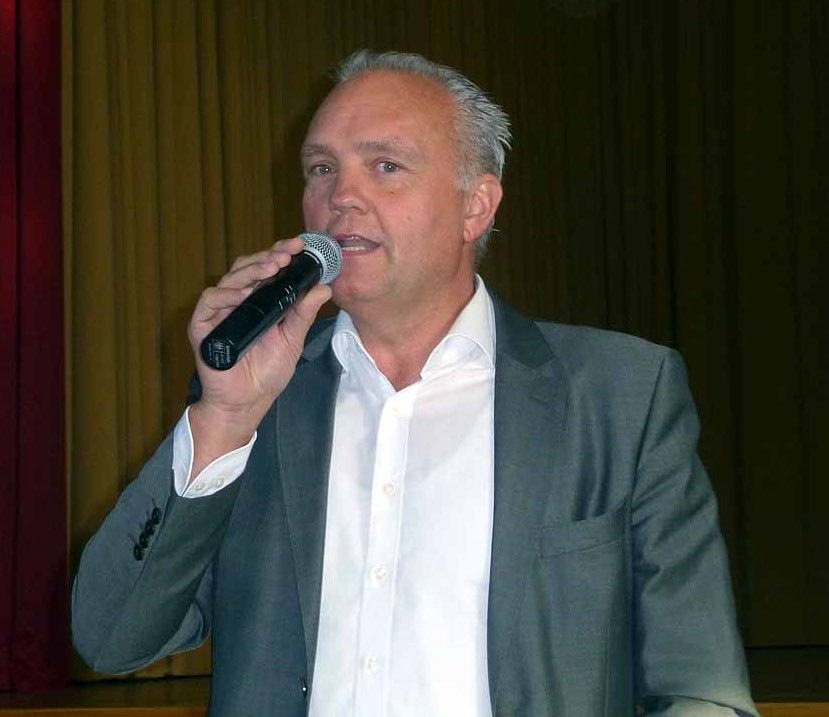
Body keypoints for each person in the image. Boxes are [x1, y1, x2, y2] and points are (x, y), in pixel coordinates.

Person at [72, 50, 757, 717]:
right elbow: (112, 639)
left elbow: (700, 686)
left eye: (386, 166)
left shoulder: (620, 395)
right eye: (321, 169)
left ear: (475, 207)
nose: (340, 196)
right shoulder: (260, 402)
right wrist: (222, 419)